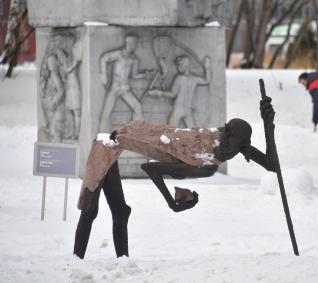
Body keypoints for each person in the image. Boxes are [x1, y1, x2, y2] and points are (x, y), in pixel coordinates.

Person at [73, 96, 277, 259]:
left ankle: (123, 266)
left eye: (244, 146)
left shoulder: (227, 140)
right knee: (91, 210)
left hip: (118, 140)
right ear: (227, 135)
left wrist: (268, 125)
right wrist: (171, 203)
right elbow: (151, 168)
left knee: (120, 212)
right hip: (106, 144)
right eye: (240, 146)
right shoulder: (199, 157)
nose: (241, 150)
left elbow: (271, 165)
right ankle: (76, 263)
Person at [99, 35, 146, 132]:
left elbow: (135, 75)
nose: (135, 46)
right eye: (134, 43)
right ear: (129, 43)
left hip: (125, 88)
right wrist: (104, 75)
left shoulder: (134, 59)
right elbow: (104, 58)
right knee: (106, 113)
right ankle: (102, 136)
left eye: (136, 44)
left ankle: (137, 133)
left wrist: (145, 75)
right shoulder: (119, 54)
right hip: (115, 87)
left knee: (138, 106)